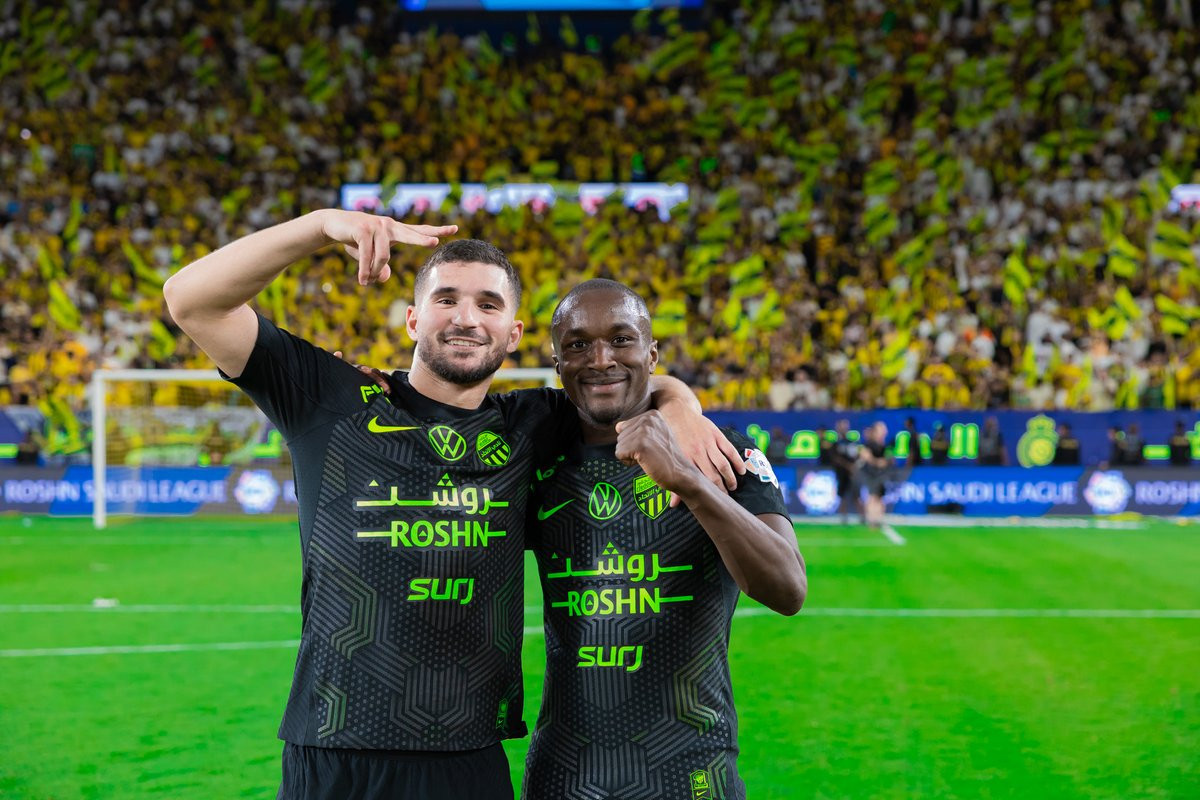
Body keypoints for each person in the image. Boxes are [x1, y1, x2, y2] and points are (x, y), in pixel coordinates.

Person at [162, 210, 736, 800]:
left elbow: (619, 378)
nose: (466, 317)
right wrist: (320, 226)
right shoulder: (330, 400)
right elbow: (190, 301)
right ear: (413, 319)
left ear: (513, 334)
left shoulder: (533, 425)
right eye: (446, 299)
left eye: (489, 304)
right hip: (334, 747)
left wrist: (680, 405)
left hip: (468, 757)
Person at [522, 279, 806, 800]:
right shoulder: (536, 459)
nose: (601, 359)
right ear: (557, 363)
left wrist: (689, 481)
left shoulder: (721, 452)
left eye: (621, 339)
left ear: (652, 354)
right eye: (578, 345)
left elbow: (788, 589)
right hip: (563, 778)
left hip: (691, 775)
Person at [857, 421, 893, 527]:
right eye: (882, 430)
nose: (884, 432)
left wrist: (885, 462)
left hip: (881, 475)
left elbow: (889, 459)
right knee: (872, 497)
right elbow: (865, 456)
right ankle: (872, 520)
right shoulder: (868, 444)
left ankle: (878, 519)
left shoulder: (885, 446)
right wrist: (877, 462)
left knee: (880, 498)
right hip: (871, 474)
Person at [830, 418, 859, 523]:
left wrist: (854, 467)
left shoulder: (851, 442)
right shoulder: (835, 444)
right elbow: (836, 459)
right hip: (841, 473)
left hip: (852, 474)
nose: (843, 429)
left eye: (845, 427)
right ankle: (843, 517)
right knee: (842, 496)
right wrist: (848, 466)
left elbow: (856, 456)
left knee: (856, 495)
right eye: (841, 427)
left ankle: (863, 517)